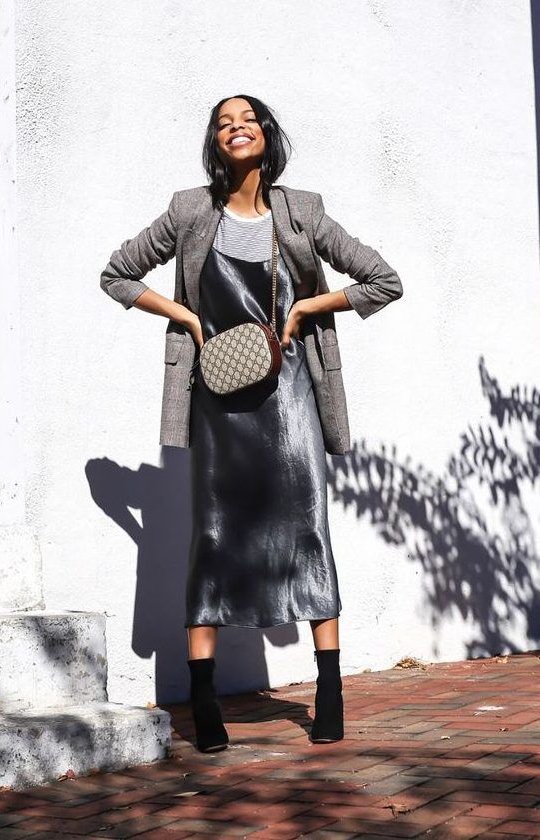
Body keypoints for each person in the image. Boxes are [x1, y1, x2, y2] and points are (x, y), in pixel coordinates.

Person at [100, 94, 403, 753]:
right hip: (217, 399)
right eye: (222, 122)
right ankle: (203, 694)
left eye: (248, 120)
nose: (236, 128)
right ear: (216, 142)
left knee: (307, 528)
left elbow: (383, 280)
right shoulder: (188, 211)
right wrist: (182, 317)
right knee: (212, 535)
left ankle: (329, 688)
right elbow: (117, 273)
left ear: (266, 136)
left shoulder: (303, 211)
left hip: (289, 395)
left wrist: (306, 310)